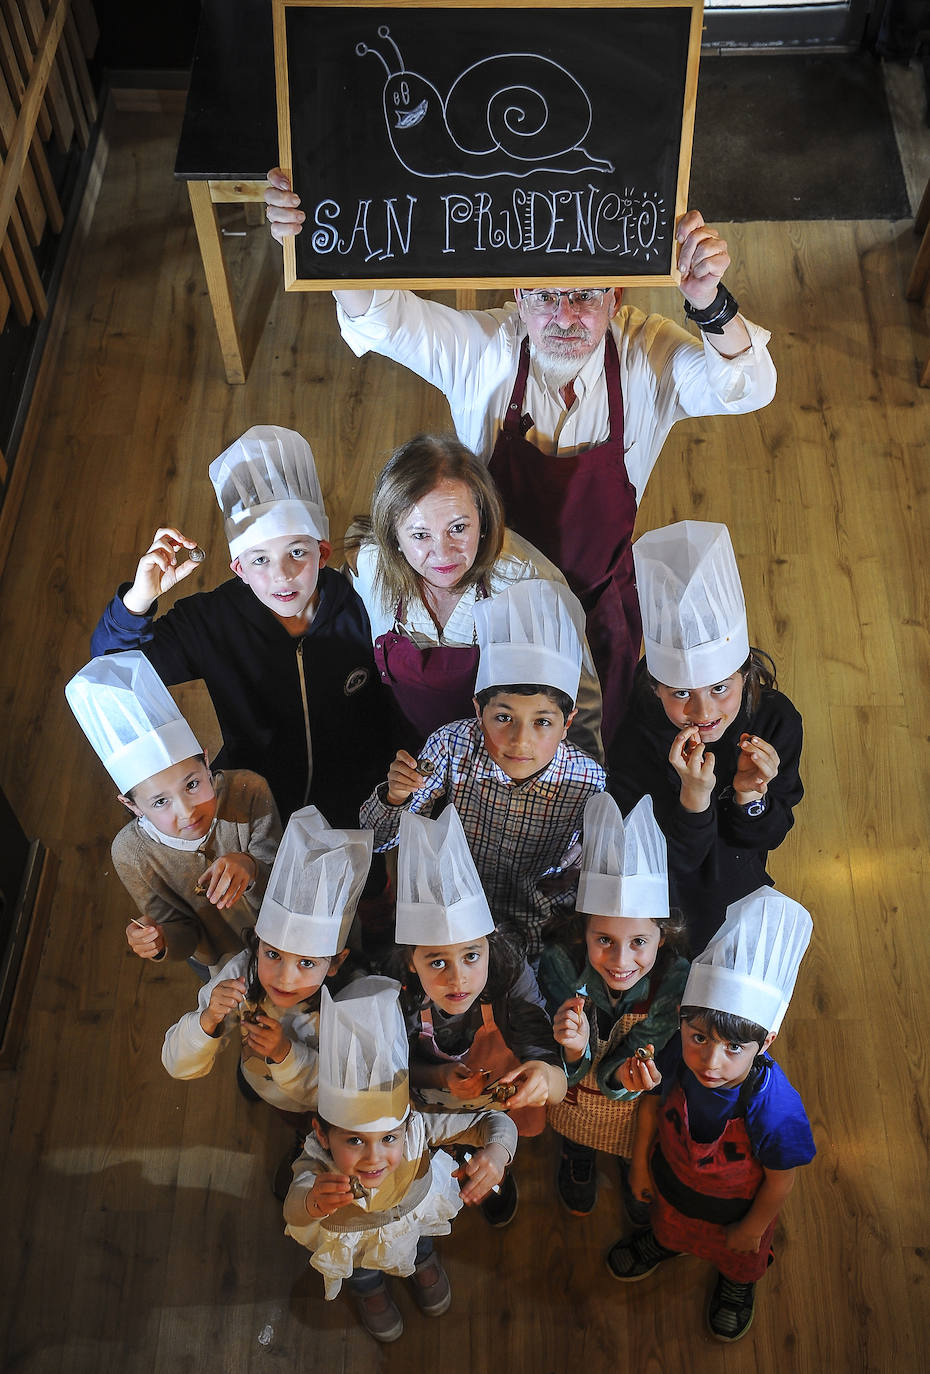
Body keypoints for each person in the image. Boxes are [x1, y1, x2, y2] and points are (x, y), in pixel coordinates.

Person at [265, 169, 777, 744]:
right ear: (516, 294)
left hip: (596, 609)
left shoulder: (644, 355)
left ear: (617, 295)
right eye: (544, 294)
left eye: (585, 295)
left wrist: (708, 301)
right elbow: (387, 319)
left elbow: (747, 385)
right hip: (489, 605)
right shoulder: (485, 350)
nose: (564, 316)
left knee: (582, 749)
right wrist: (322, 234)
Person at [90, 425, 391, 827]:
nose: (281, 576)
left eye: (296, 552)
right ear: (239, 569)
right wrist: (138, 601)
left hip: (356, 797)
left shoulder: (361, 605)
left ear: (322, 552)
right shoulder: (211, 621)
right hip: (252, 804)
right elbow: (111, 671)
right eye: (260, 560)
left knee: (364, 882)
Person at [606, 887, 816, 1345]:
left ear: (768, 1040)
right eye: (698, 1037)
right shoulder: (674, 1059)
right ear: (681, 1018)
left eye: (734, 1048)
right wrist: (640, 1164)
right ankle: (665, 1243)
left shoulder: (776, 1110)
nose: (711, 1062)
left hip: (736, 1215)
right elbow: (650, 1104)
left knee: (739, 1255)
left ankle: (737, 1284)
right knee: (670, 1223)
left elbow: (781, 1181)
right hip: (673, 1184)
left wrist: (753, 1227)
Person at [360, 579, 606, 961]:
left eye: (542, 722)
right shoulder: (451, 746)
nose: (520, 741)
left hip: (540, 941)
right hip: (450, 931)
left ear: (568, 720)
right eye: (503, 717)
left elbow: (587, 879)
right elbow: (376, 841)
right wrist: (396, 797)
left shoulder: (587, 781)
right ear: (478, 709)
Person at [283, 976, 517, 1342]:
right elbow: (293, 1209)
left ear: (405, 1123)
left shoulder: (417, 1128)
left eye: (389, 1138)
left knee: (419, 1241)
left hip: (411, 1218)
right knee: (361, 1266)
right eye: (355, 1139)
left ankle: (421, 1260)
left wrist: (497, 1152)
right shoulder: (317, 1163)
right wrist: (312, 1202)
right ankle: (369, 1288)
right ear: (323, 1134)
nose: (375, 1157)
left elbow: (493, 1121)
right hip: (354, 1238)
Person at [344, 431, 602, 759]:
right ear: (392, 534)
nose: (443, 553)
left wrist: (581, 791)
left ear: (483, 518)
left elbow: (580, 702)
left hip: (498, 768)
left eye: (458, 528)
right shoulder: (370, 564)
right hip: (407, 754)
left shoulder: (528, 584)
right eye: (421, 534)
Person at [608, 521, 803, 952]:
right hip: (658, 907)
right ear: (655, 688)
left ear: (745, 673)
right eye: (680, 694)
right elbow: (664, 862)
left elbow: (766, 836)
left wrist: (751, 798)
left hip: (737, 888)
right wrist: (694, 799)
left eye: (720, 688)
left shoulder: (776, 721)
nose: (704, 713)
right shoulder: (634, 735)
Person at [162, 806, 370, 1194]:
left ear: (336, 963)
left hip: (310, 1103)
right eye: (273, 954)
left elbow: (339, 1094)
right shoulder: (239, 974)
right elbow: (178, 1066)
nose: (284, 978)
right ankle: (253, 1082)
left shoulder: (353, 1006)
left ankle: (304, 1145)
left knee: (299, 1120)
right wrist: (207, 1020)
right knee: (264, 1091)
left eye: (307, 962)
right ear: (257, 941)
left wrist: (284, 1054)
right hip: (265, 1080)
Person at [388, 806, 566, 1229]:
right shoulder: (391, 995)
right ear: (410, 963)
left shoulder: (509, 975)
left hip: (493, 1110)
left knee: (493, 1147)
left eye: (471, 955)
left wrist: (543, 1075)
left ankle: (486, 1165)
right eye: (436, 962)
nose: (458, 978)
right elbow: (390, 1074)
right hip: (420, 1107)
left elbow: (555, 1081)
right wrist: (439, 1078)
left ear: (489, 945)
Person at [65, 651, 281, 978]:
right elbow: (183, 933)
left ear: (207, 763)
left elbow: (286, 879)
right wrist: (160, 939)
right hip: (226, 963)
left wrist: (249, 867)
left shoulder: (248, 791)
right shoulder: (132, 854)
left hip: (285, 937)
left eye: (192, 783)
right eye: (160, 802)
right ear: (132, 806)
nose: (186, 811)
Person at [540, 793, 690, 1220]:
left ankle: (632, 1159)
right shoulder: (557, 964)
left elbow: (644, 1042)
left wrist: (625, 1074)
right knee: (577, 1129)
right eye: (604, 940)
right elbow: (548, 1061)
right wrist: (572, 1049)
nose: (621, 962)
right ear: (582, 931)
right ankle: (577, 1151)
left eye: (639, 942)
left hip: (626, 1104)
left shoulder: (672, 979)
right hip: (571, 1096)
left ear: (662, 936)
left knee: (631, 1129)